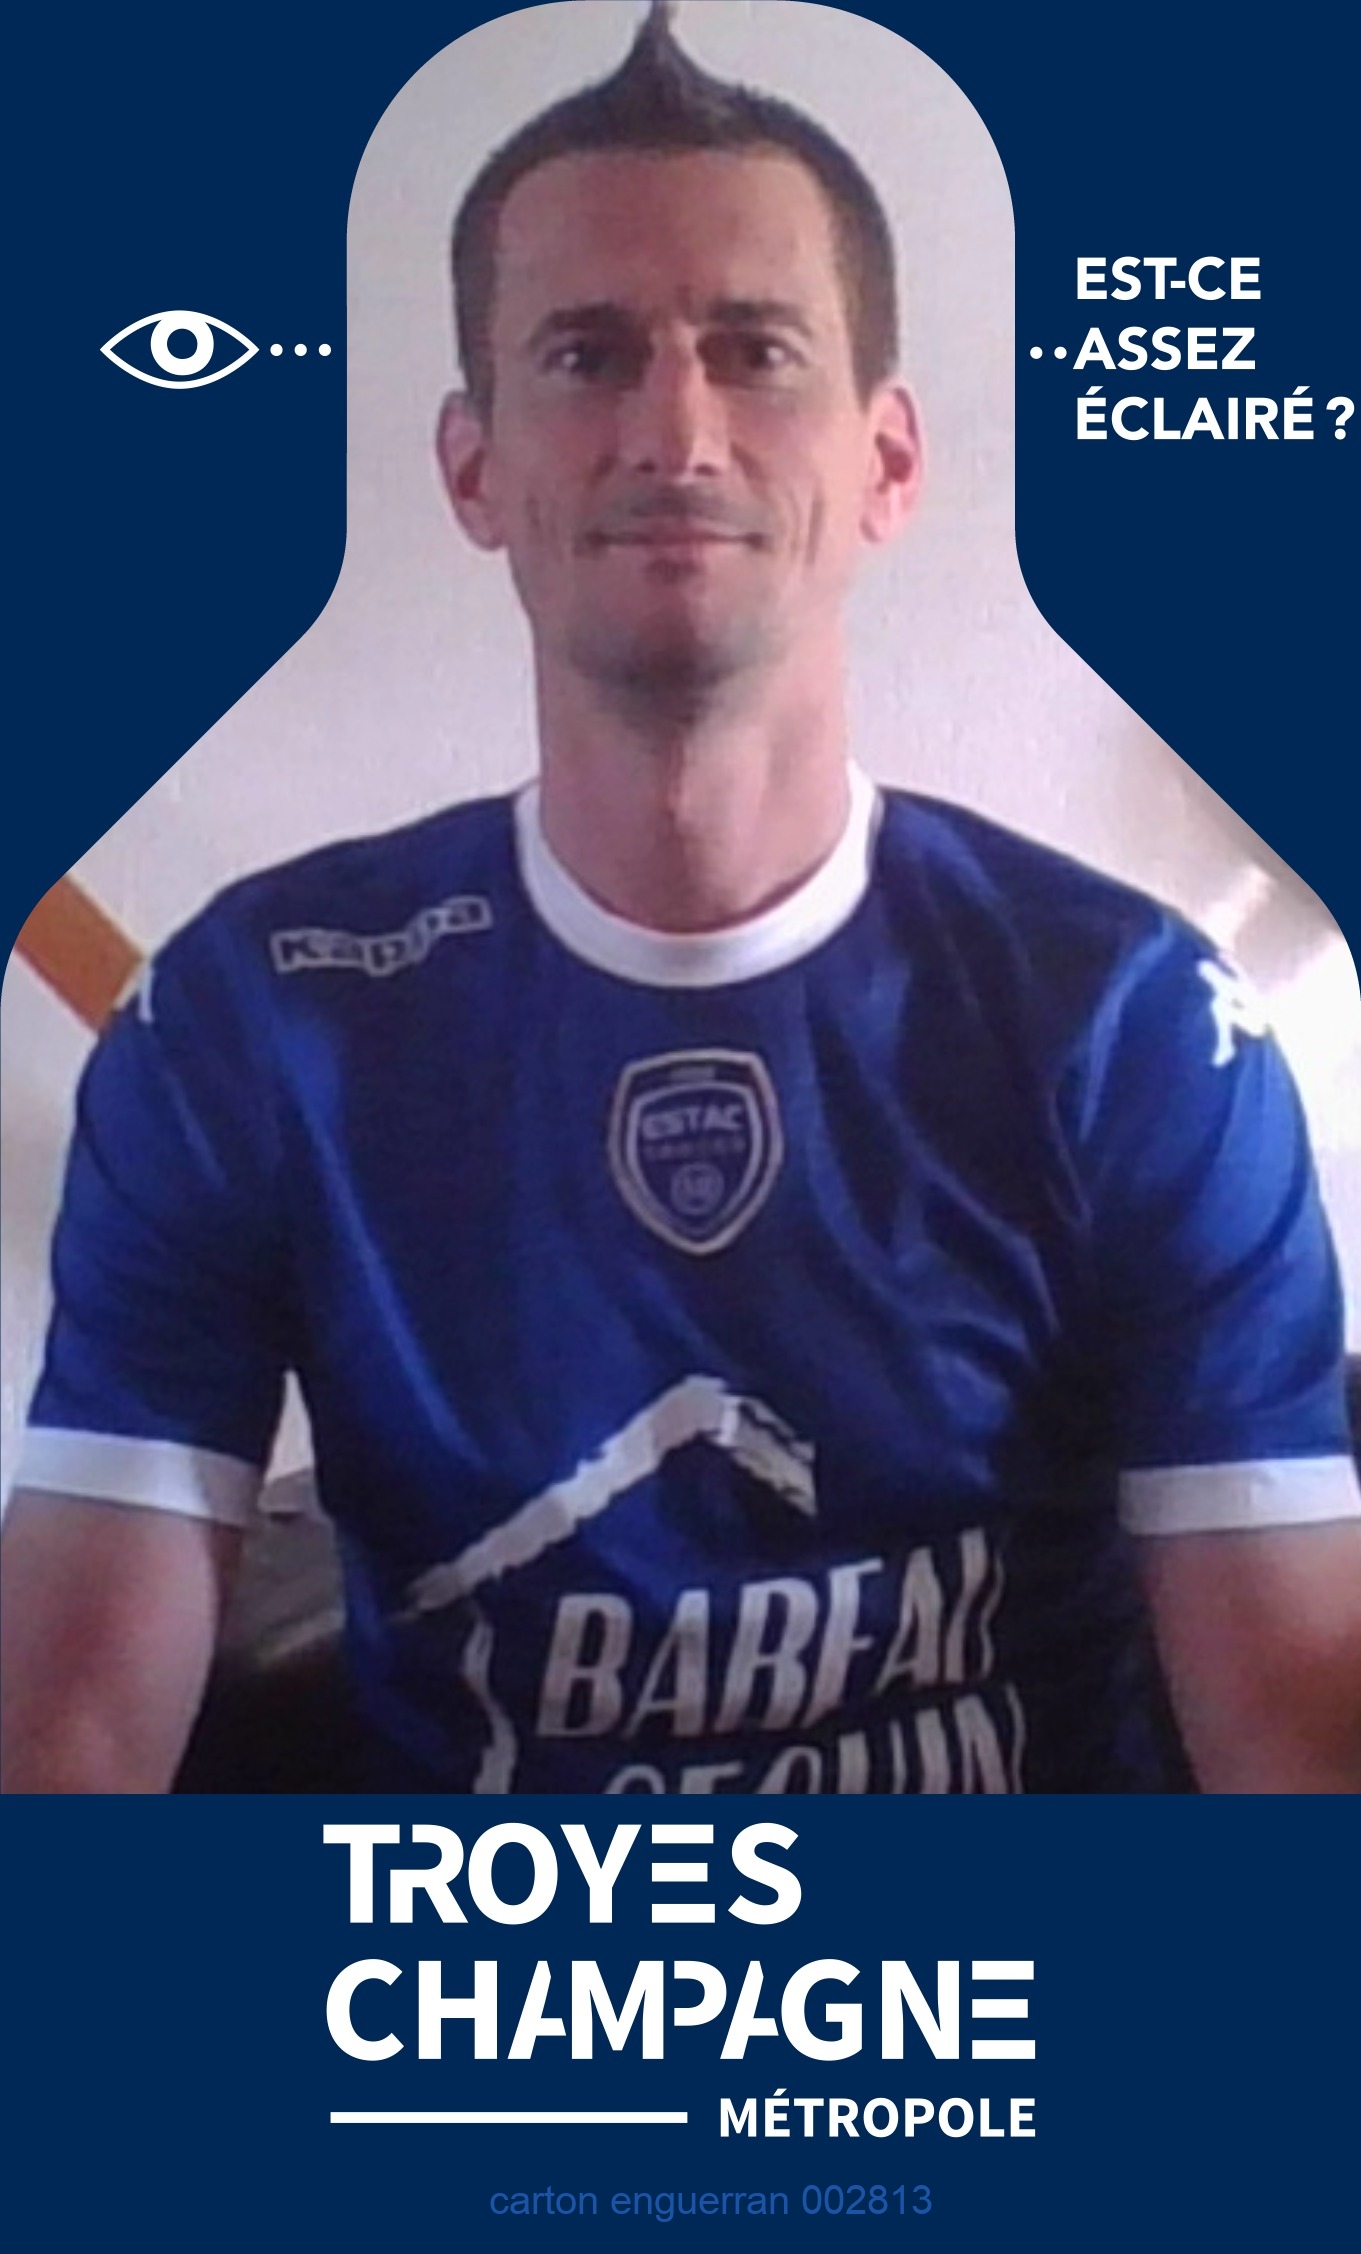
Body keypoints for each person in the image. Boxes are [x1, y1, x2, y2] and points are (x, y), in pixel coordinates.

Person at [4, 4, 1360, 1795]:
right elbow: (67, 1733)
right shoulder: (249, 1020)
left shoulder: (1136, 1026)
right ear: (473, 468)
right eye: (586, 354)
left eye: (755, 349)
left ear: (886, 463)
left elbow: (1293, 1732)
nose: (676, 426)